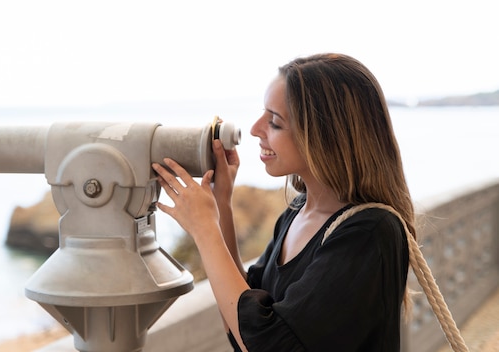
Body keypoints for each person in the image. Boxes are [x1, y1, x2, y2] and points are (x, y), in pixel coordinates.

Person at [151, 53, 414, 351]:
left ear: (322, 136)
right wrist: (221, 204)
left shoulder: (369, 233)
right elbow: (241, 327)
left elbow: (268, 343)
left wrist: (204, 229)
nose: (254, 129)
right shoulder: (296, 212)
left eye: (274, 123)